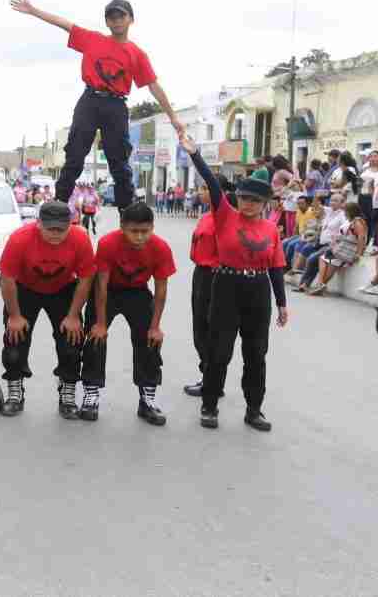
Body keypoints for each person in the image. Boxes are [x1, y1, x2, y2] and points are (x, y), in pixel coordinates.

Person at [10, 0, 186, 208]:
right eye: (111, 17)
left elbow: (154, 86)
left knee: (119, 162)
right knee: (74, 155)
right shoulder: (93, 39)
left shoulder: (137, 54)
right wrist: (33, 10)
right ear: (107, 22)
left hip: (116, 106)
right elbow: (64, 24)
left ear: (131, 19)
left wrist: (174, 118)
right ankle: (58, 205)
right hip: (90, 101)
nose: (116, 21)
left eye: (121, 16)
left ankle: (125, 211)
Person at [181, 135, 287, 432]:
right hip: (226, 286)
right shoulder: (225, 216)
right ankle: (210, 405)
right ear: (236, 198)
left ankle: (254, 410)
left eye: (255, 200)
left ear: (265, 203)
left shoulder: (270, 228)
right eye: (244, 198)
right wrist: (196, 155)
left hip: (258, 291)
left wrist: (281, 303)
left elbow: (276, 266)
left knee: (256, 353)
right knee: (219, 350)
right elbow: (213, 184)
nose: (248, 204)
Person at [0, 201, 96, 417]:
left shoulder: (80, 238)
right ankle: (15, 392)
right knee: (15, 343)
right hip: (24, 289)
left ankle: (67, 391)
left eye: (61, 229)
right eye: (50, 228)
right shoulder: (20, 238)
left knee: (71, 342)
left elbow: (86, 279)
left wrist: (72, 315)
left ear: (70, 224)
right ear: (38, 223)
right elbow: (7, 279)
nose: (55, 234)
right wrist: (14, 315)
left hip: (62, 289)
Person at [83, 202, 176, 424]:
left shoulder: (160, 247)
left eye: (145, 231)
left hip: (138, 293)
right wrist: (100, 323)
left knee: (150, 341)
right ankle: (91, 395)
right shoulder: (108, 243)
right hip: (108, 292)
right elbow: (101, 286)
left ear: (152, 228)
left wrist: (155, 327)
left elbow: (161, 289)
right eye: (134, 231)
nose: (140, 237)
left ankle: (147, 401)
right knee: (95, 337)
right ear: (122, 227)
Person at [183, 177, 235, 398]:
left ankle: (213, 381)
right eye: (200, 188)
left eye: (206, 188)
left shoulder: (226, 218)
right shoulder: (205, 216)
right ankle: (208, 376)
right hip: (201, 274)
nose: (201, 192)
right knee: (199, 328)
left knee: (212, 329)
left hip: (216, 275)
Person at [306, 203, 367, 296]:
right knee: (330, 262)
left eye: (345, 211)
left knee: (325, 259)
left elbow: (361, 238)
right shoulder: (354, 221)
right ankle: (321, 285)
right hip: (345, 249)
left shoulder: (358, 222)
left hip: (348, 249)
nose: (344, 213)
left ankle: (320, 284)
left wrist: (359, 253)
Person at [360, 150, 378, 247]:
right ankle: (366, 241)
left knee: (374, 221)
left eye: (375, 156)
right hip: (363, 197)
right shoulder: (365, 170)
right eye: (371, 156)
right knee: (365, 221)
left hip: (375, 198)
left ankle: (374, 243)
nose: (373, 158)